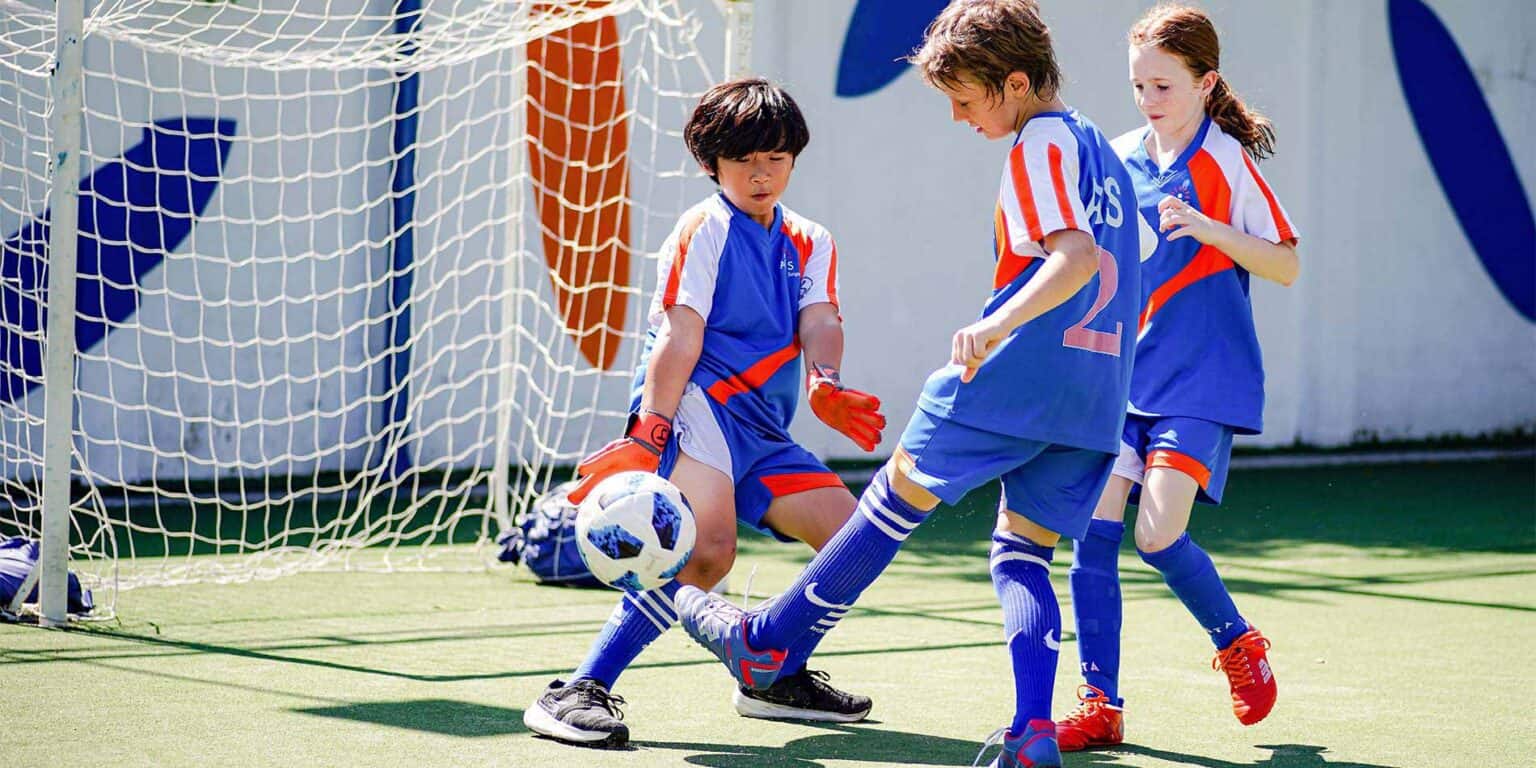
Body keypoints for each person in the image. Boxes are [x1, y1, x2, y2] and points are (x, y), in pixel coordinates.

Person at [672, 3, 1145, 765]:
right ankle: (1031, 735)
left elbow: (1076, 259)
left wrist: (995, 327)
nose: (958, 116)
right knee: (1022, 556)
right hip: (1093, 395)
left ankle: (766, 643)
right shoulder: (1102, 149)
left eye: (964, 99)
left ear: (1015, 83)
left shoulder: (1042, 142)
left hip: (1014, 378)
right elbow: (1126, 276)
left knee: (887, 507)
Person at [521, 77, 888, 749]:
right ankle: (576, 689)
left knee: (855, 539)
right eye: (744, 158)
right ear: (711, 162)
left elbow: (821, 319)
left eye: (775, 158)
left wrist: (826, 381)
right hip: (695, 403)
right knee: (708, 552)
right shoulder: (706, 227)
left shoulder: (811, 239)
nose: (760, 172)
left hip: (762, 428)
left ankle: (772, 672)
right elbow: (679, 335)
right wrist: (649, 429)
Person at [1055, 3, 1299, 752]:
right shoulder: (1120, 156)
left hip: (1202, 380)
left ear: (1205, 81)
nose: (1148, 101)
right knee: (1090, 536)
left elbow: (1286, 262)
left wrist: (1210, 230)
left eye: (1163, 85)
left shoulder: (1226, 160)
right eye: (1138, 86)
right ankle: (1101, 704)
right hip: (1124, 379)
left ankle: (1237, 642)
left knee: (1159, 534)